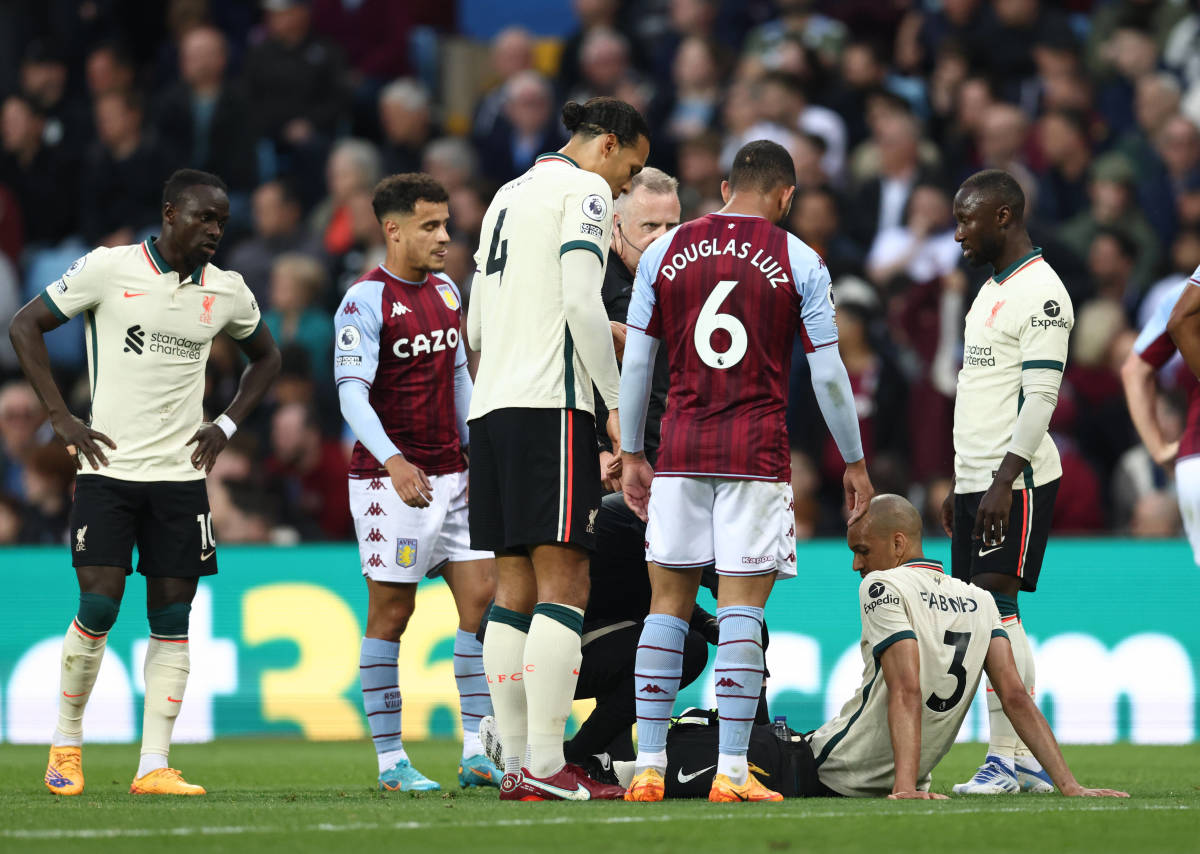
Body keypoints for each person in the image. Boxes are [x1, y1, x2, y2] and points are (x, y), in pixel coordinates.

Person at [8, 168, 281, 796]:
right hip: (107, 470)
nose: (214, 230)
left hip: (180, 480)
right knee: (99, 604)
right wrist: (61, 417)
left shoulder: (228, 292)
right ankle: (65, 747)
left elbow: (268, 357)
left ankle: (153, 765)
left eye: (222, 221)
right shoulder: (110, 269)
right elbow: (25, 325)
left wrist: (229, 425)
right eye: (203, 217)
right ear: (168, 213)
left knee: (173, 619)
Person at [619, 139, 873, 803]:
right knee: (740, 612)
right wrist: (853, 460)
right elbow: (829, 374)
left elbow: (640, 363)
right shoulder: (801, 260)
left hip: (679, 450)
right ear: (787, 196)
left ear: (728, 184)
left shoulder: (665, 253)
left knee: (666, 607)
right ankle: (731, 772)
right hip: (755, 456)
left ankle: (647, 765)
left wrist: (636, 453)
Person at [597, 495, 1128, 800]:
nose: (856, 563)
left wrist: (902, 789)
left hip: (819, 766)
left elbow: (905, 686)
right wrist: (1071, 786)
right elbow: (1016, 697)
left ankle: (592, 763)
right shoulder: (979, 600)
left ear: (898, 545)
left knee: (682, 744)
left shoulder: (883, 586)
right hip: (870, 772)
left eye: (863, 550)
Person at [468, 96, 649, 802]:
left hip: (491, 411)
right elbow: (581, 304)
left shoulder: (505, 197)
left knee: (512, 593)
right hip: (551, 406)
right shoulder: (584, 192)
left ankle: (517, 764)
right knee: (565, 584)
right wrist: (612, 404)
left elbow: (476, 324)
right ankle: (548, 765)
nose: (625, 187)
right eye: (629, 171)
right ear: (607, 144)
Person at [334, 173, 500, 792]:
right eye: (430, 226)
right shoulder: (364, 301)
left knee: (483, 602)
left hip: (454, 474)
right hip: (390, 483)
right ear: (393, 229)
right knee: (393, 611)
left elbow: (459, 378)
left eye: (447, 224)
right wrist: (393, 460)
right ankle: (390, 763)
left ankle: (478, 749)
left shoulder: (449, 293)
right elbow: (351, 394)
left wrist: (479, 453)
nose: (444, 237)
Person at [940, 169, 1074, 795]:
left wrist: (1001, 481)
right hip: (979, 478)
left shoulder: (1044, 294)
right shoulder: (992, 290)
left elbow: (1041, 396)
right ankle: (1017, 763)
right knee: (985, 613)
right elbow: (982, 395)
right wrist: (962, 481)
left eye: (967, 218)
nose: (957, 231)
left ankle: (1004, 759)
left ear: (1003, 216)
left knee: (996, 611)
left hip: (1012, 481)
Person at [1122, 274, 1200, 564]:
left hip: (1194, 460)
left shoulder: (1180, 294)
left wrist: (1158, 449)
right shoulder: (1184, 300)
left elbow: (1134, 370)